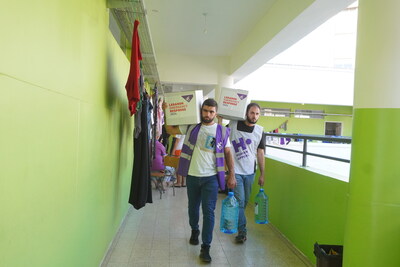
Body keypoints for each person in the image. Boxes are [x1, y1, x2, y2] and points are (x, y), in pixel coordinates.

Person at [164, 98, 236, 263]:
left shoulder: (222, 132)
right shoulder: (191, 127)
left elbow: (228, 153)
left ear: (215, 113)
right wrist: (167, 111)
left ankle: (206, 247)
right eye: (205, 111)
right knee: (192, 209)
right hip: (192, 175)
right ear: (201, 110)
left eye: (211, 112)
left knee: (209, 212)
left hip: (211, 178)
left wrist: (231, 174)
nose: (208, 114)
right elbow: (169, 129)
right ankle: (194, 229)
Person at [219, 103, 265, 243]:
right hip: (235, 171)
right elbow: (221, 135)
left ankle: (233, 221)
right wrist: (220, 120)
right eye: (252, 113)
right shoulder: (233, 125)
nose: (254, 116)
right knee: (239, 202)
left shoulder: (260, 131)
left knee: (243, 204)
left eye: (257, 114)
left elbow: (260, 152)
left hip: (250, 172)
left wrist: (263, 173)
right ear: (246, 113)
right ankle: (242, 232)